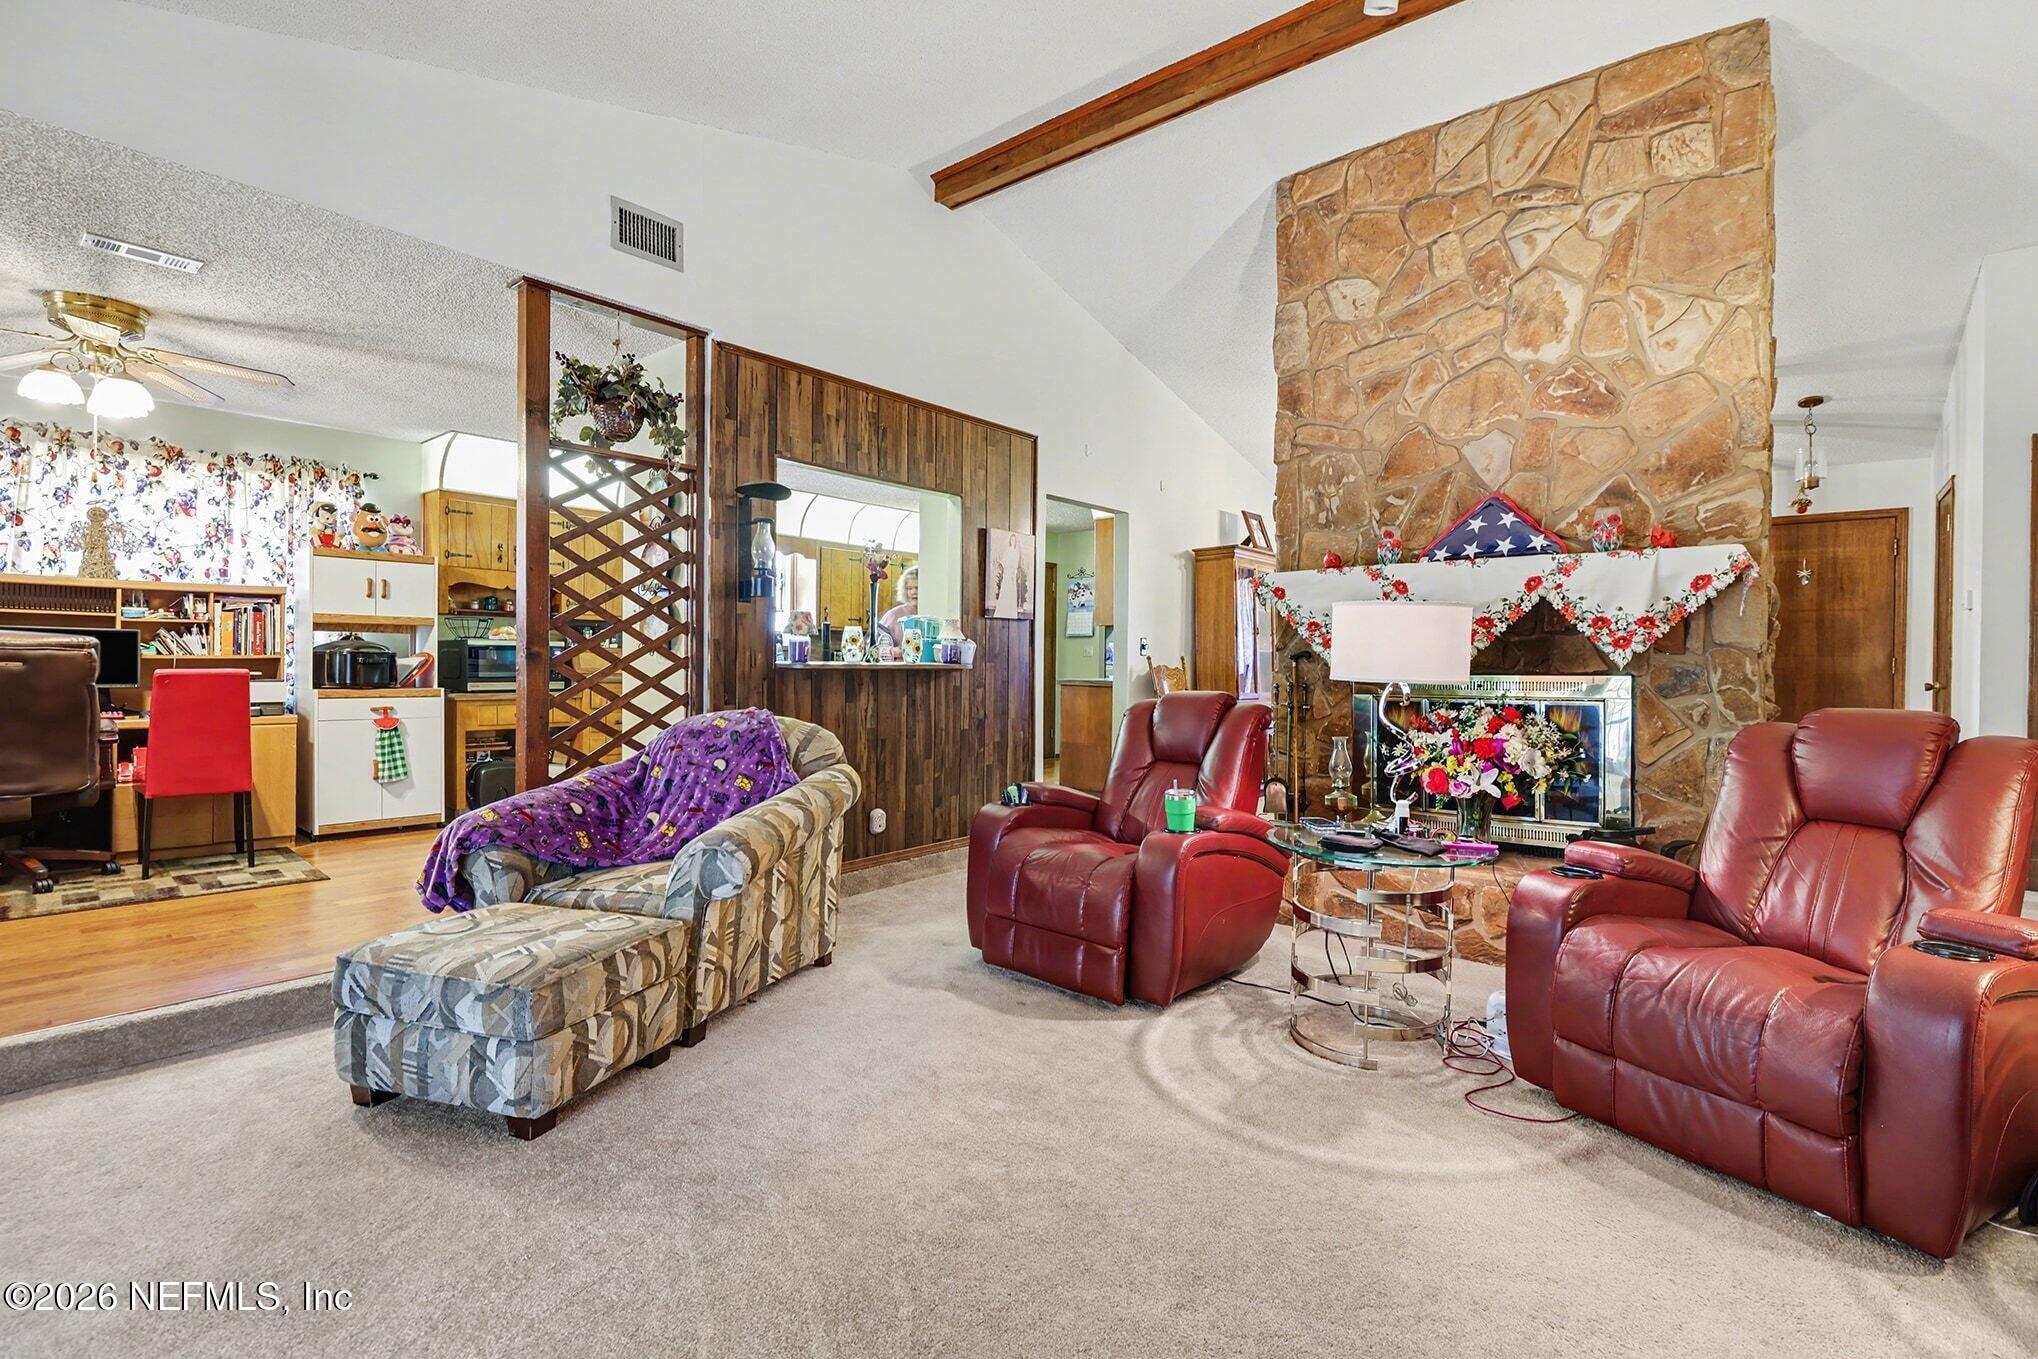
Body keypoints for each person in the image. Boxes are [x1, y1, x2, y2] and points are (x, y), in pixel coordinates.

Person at [878, 564, 920, 646]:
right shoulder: (893, 615)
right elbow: (876, 648)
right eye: (910, 588)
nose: (913, 592)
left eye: (917, 588)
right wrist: (895, 652)